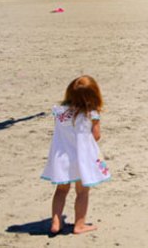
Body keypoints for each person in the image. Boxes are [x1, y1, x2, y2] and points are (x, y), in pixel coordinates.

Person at [41, 75, 111, 235]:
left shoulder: (59, 112)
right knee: (82, 192)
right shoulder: (91, 113)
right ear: (94, 95)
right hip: (82, 159)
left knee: (61, 191)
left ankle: (56, 223)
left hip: (62, 156)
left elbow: (61, 132)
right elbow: (96, 136)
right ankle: (79, 224)